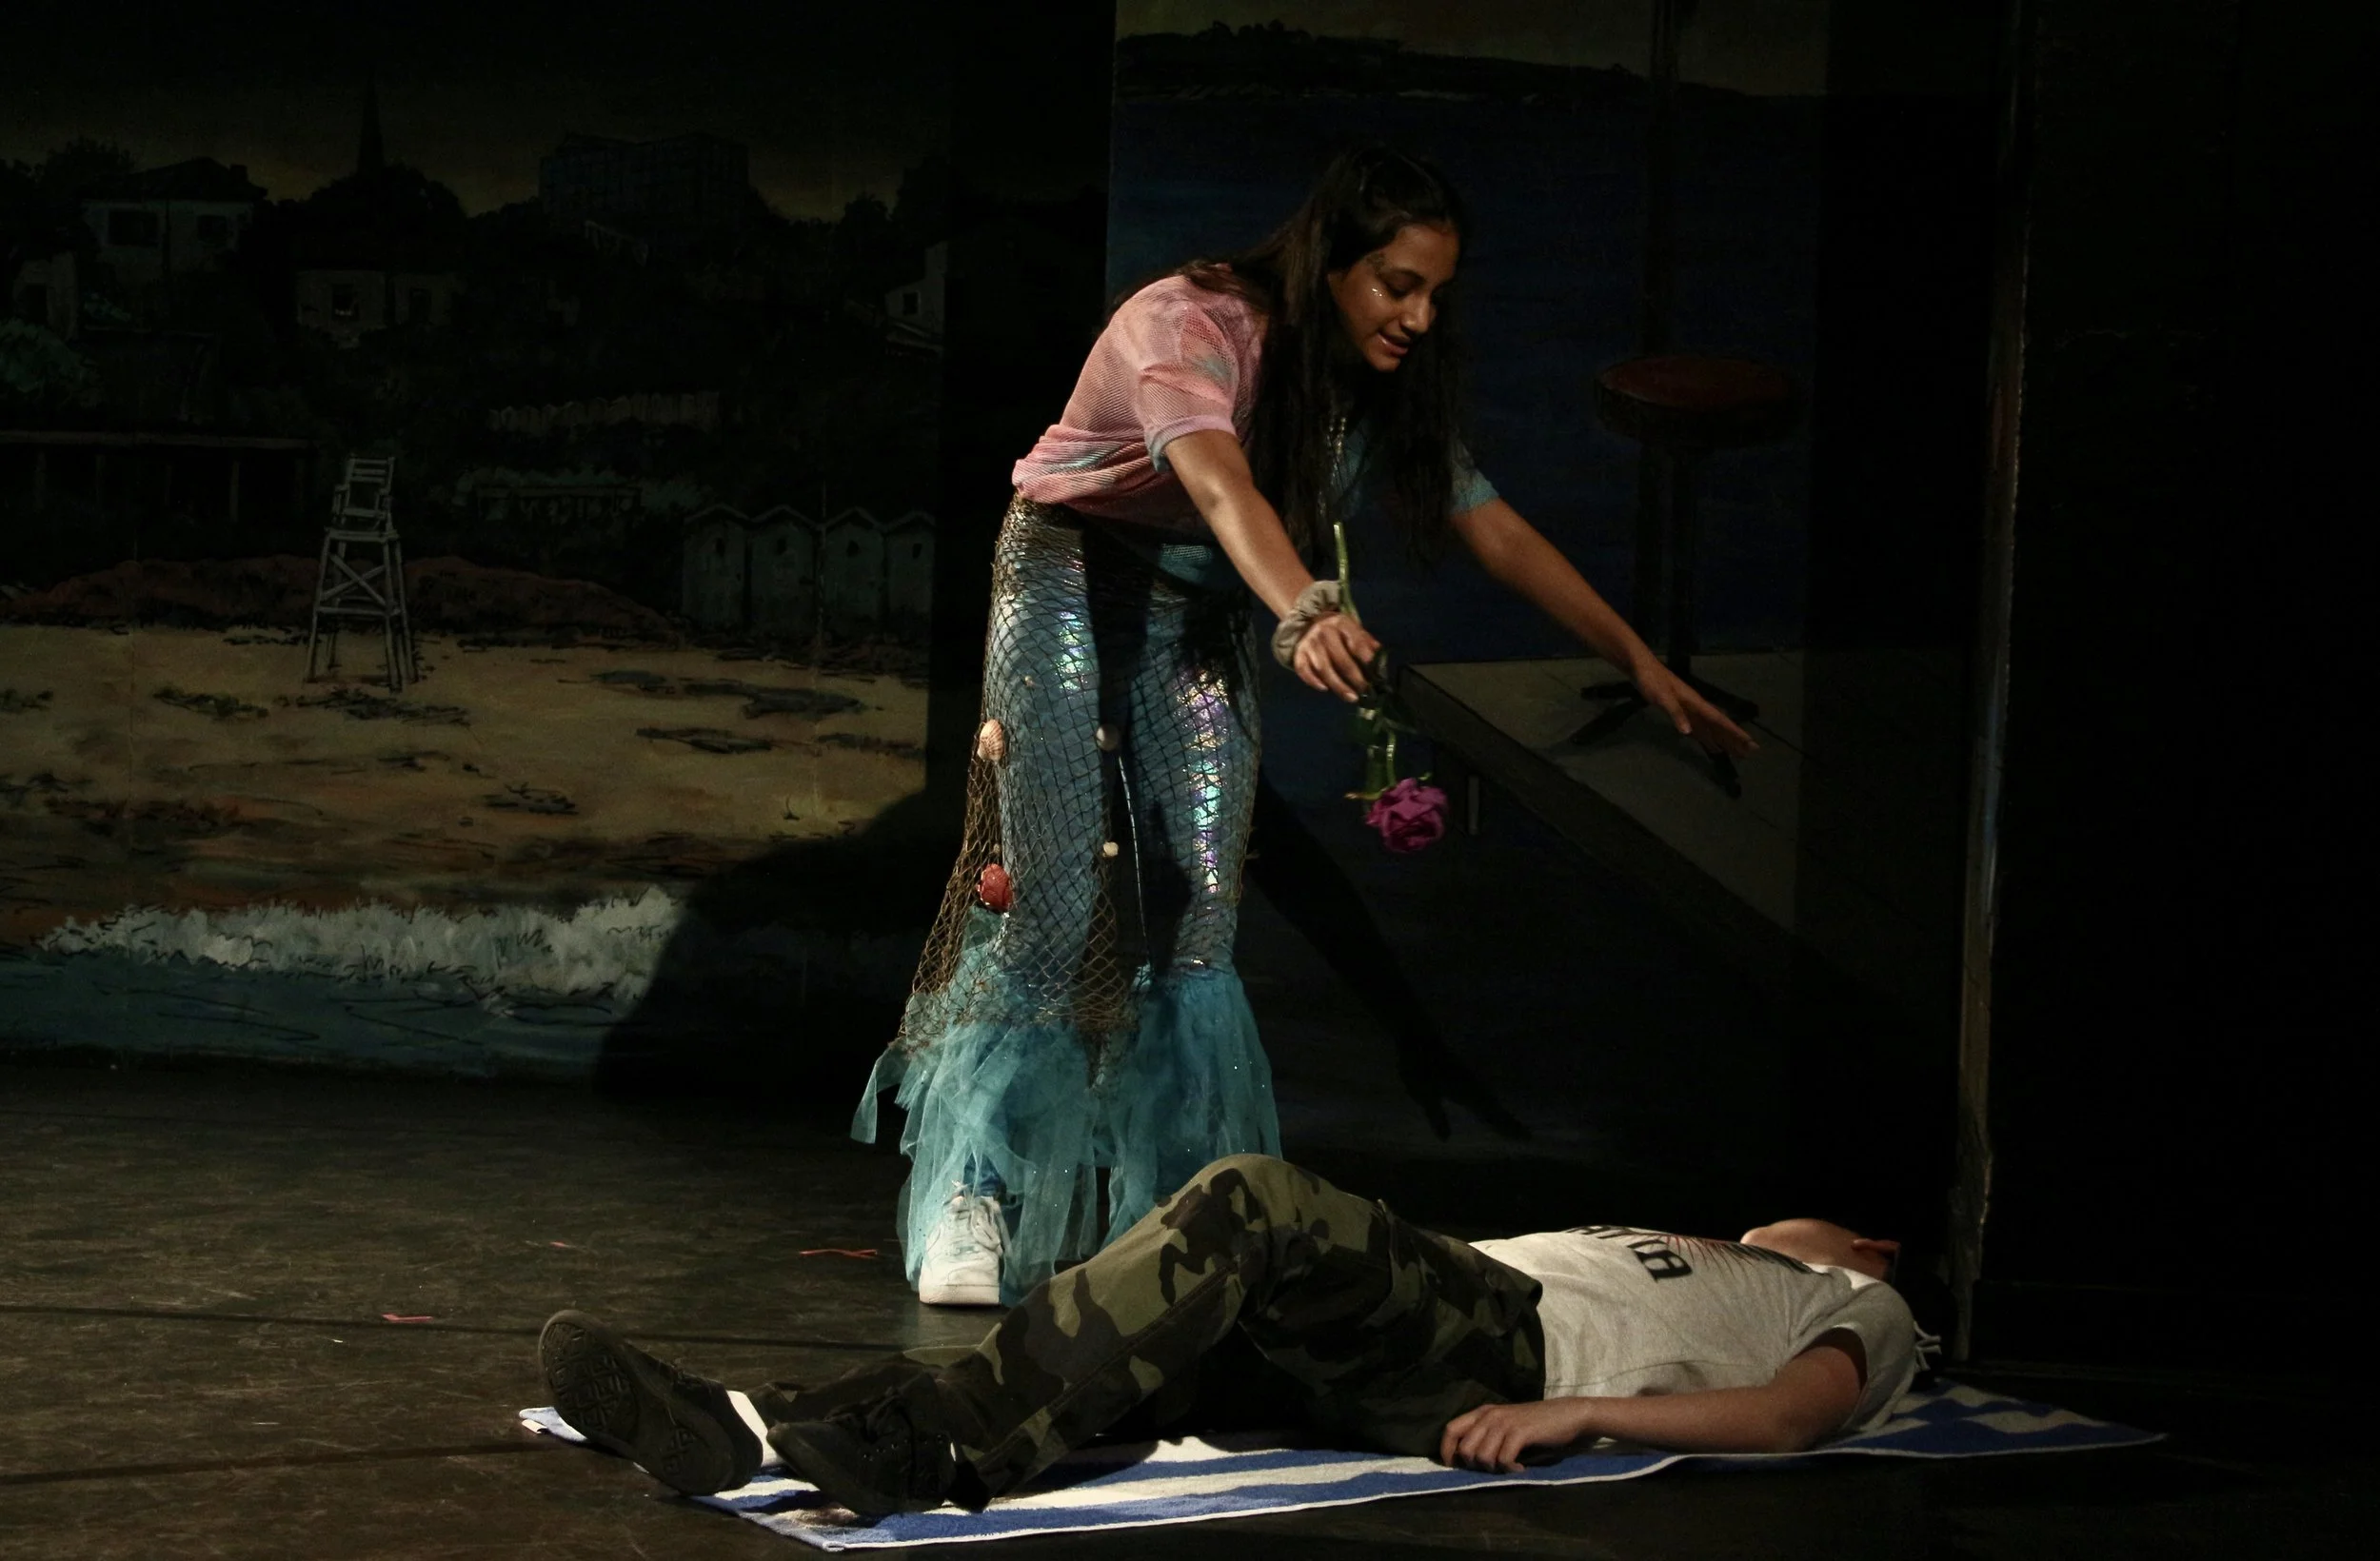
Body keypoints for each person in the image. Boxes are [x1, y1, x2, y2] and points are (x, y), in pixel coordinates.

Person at [856, 146, 1757, 1310]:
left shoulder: (1377, 385)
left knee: (1201, 909)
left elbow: (1492, 526)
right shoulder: (1187, 324)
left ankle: (1171, 1216)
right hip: (1073, 572)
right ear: (1330, 262)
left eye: (1435, 293)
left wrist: (1640, 662)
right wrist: (1305, 609)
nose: (1419, 316)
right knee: (1057, 896)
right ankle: (975, 1190)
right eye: (1397, 285)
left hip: (1207, 603)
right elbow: (1219, 484)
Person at [537, 1154, 1935, 1519]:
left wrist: (1586, 1413)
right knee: (1118, 1337)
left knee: (1250, 1203)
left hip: (1507, 1348)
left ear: (1872, 1247)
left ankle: (931, 1451)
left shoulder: (1862, 1301)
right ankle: (757, 1428)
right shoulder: (1719, 1248)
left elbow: (1791, 1416)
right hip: (1430, 1330)